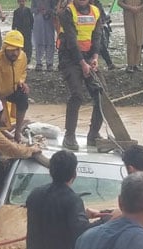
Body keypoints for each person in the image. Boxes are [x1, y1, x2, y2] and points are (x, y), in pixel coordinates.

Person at [56, 0, 104, 150]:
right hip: (70, 58)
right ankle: (69, 135)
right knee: (77, 94)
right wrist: (82, 63)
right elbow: (71, 40)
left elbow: (97, 36)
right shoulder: (67, 13)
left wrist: (95, 57)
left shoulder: (96, 11)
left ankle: (93, 134)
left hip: (89, 56)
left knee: (102, 94)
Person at [118, 0, 143, 73]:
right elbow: (119, 3)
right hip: (128, 15)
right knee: (131, 39)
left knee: (139, 40)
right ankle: (130, 64)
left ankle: (136, 64)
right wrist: (129, 8)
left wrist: (139, 8)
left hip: (139, 15)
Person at [31, 0, 56, 71]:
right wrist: (38, 10)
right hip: (38, 20)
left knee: (50, 41)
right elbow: (32, 9)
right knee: (38, 41)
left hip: (49, 20)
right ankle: (39, 62)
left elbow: (55, 8)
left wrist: (48, 11)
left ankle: (50, 63)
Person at [12, 0, 34, 66]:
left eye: (23, 1)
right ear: (18, 2)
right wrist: (13, 30)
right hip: (20, 30)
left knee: (28, 44)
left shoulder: (28, 10)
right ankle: (20, 58)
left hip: (27, 30)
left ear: (25, 2)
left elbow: (32, 20)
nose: (22, 3)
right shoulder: (16, 12)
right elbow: (14, 22)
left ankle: (28, 58)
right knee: (20, 45)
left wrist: (31, 28)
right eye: (20, 1)